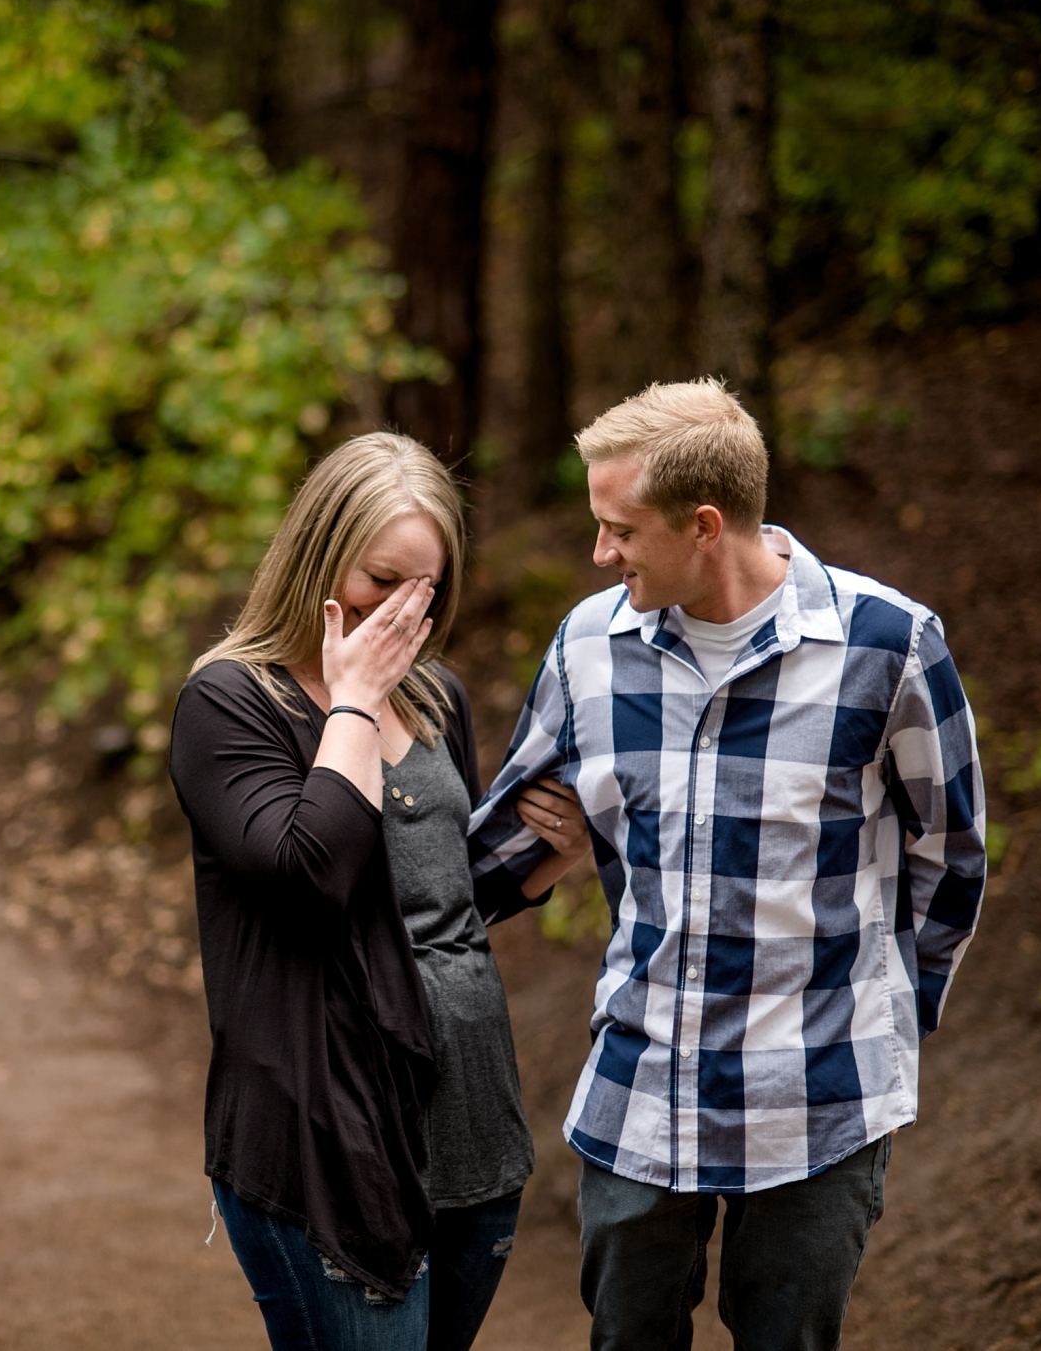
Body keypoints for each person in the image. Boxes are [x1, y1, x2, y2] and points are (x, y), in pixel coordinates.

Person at [467, 380, 989, 1351]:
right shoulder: (589, 645)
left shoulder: (887, 645)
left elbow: (947, 859)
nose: (597, 552)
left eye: (618, 528)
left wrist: (882, 1017)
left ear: (703, 525)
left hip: (819, 1094)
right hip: (644, 1079)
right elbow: (505, 841)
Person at [168, 432, 581, 1351]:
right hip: (327, 1138)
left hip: (471, 1127)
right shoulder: (232, 703)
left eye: (423, 590)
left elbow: (424, 901)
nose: (397, 611)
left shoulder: (435, 696)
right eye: (378, 579)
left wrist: (542, 858)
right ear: (318, 552)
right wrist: (351, 702)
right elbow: (312, 876)